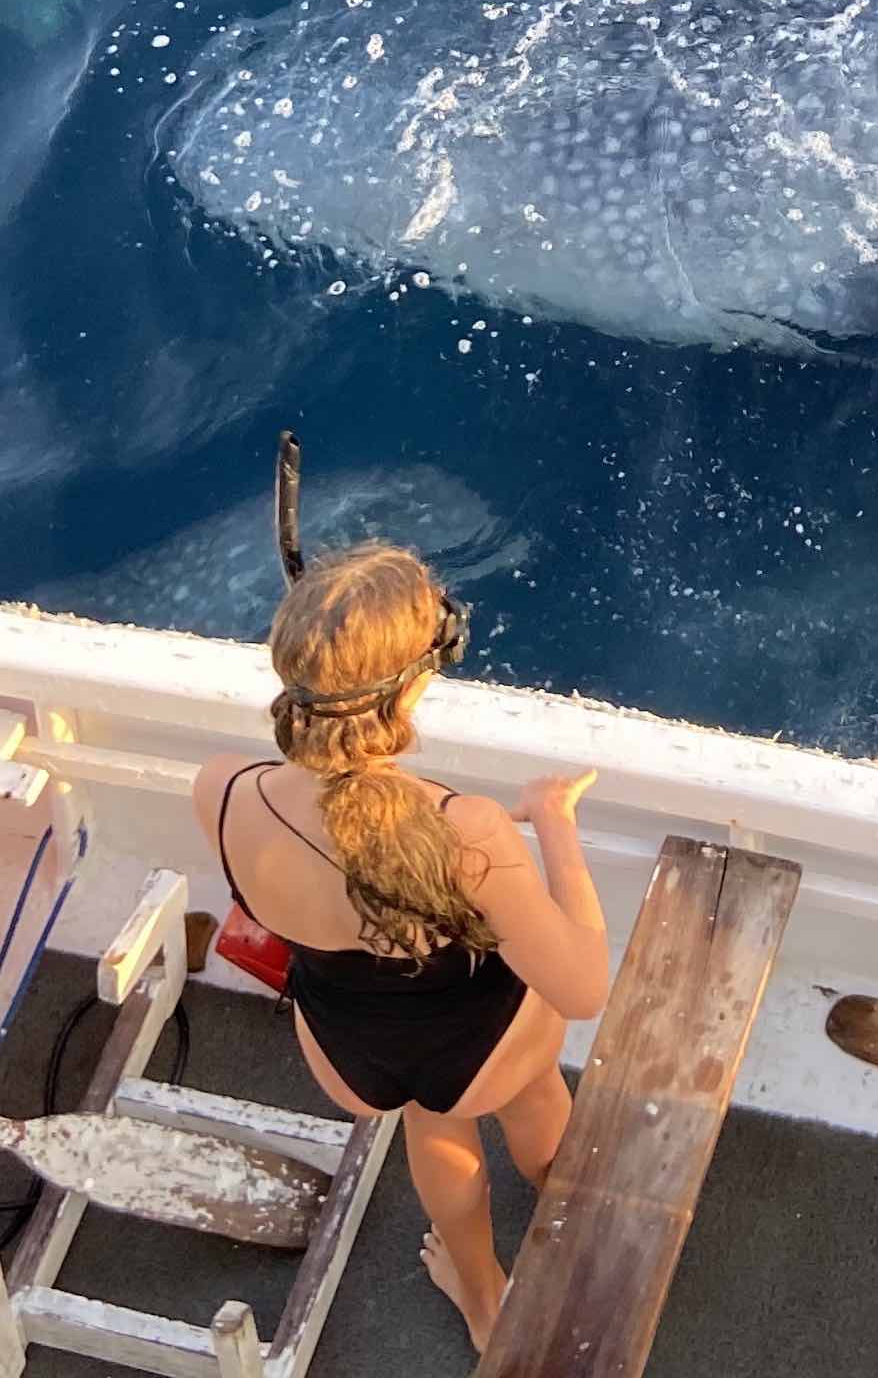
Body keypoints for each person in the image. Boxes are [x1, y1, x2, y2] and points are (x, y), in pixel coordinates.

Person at [190, 542, 610, 1353]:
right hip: (484, 1049)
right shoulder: (466, 831)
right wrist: (555, 823)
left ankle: (484, 1296)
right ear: (414, 682)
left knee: (431, 1122)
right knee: (532, 1096)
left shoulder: (222, 789)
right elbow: (584, 985)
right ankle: (567, 1211)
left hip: (349, 1050)